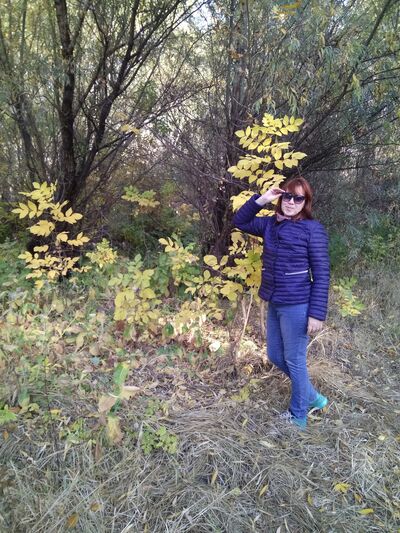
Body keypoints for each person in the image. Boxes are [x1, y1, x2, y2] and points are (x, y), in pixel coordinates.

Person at [232, 177, 330, 429]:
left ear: (306, 202)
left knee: (295, 360)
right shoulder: (270, 224)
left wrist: (316, 314)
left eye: (298, 198)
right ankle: (314, 397)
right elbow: (239, 221)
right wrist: (263, 199)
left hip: (298, 304)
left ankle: (299, 416)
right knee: (275, 355)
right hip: (275, 300)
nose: (291, 202)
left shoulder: (312, 229)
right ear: (281, 197)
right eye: (287, 196)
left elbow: (321, 274)